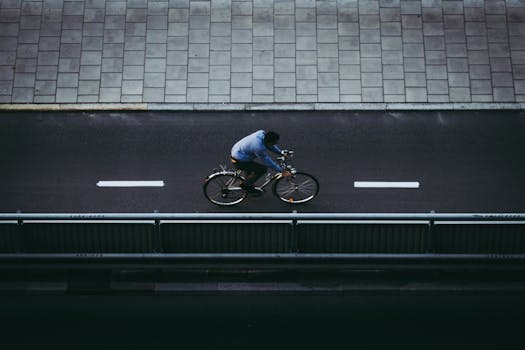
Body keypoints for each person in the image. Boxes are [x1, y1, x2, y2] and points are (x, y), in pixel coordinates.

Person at [231, 130, 291, 195]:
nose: (276, 143)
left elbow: (270, 146)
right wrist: (281, 170)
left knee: (251, 169)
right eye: (274, 142)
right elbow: (267, 161)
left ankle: (248, 183)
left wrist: (280, 152)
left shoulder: (261, 133)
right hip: (239, 159)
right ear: (269, 142)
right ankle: (246, 186)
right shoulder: (258, 147)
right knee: (262, 169)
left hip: (238, 150)